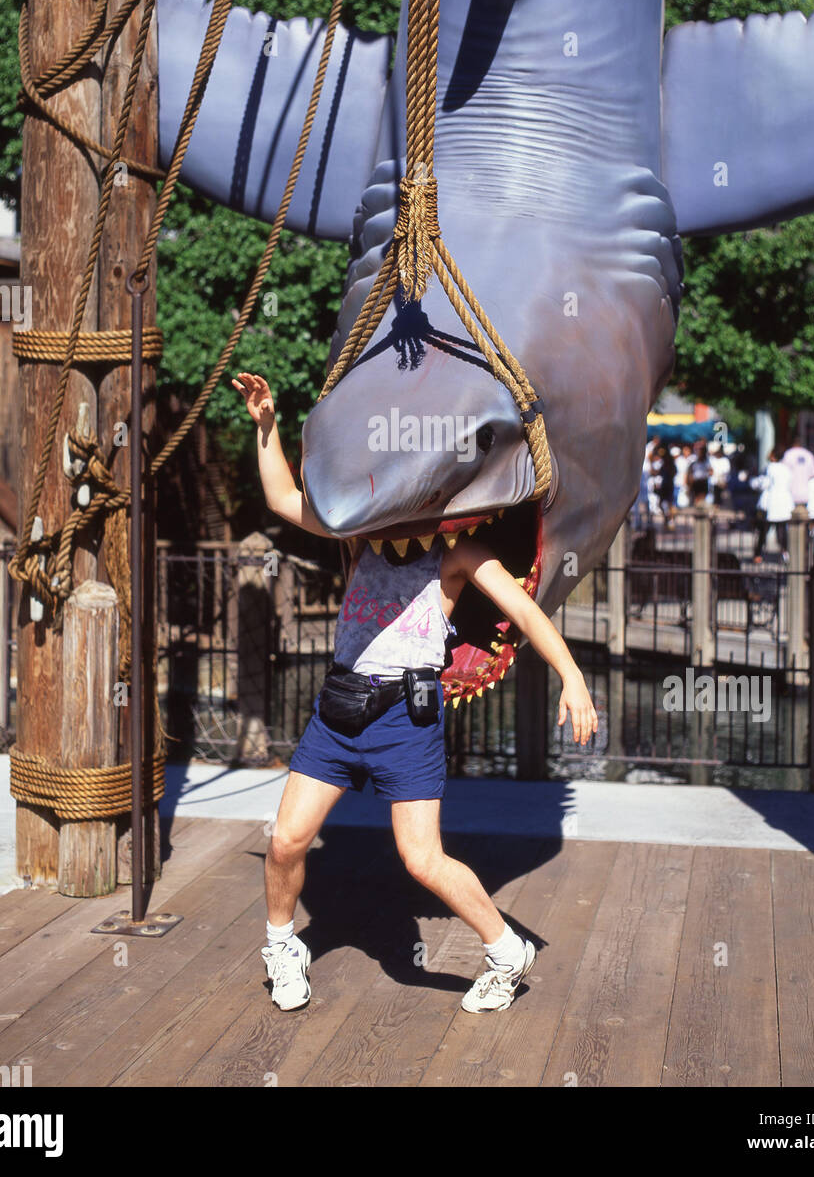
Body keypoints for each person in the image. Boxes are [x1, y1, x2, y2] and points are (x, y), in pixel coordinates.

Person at [231, 371, 597, 1015]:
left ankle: (507, 949)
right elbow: (285, 497)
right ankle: (283, 946)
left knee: (422, 858)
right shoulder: (358, 528)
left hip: (406, 717)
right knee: (287, 841)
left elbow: (528, 609)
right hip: (340, 709)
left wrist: (571, 678)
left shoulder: (459, 552)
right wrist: (267, 425)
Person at [751, 446, 794, 560]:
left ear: (773, 455)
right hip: (784, 503)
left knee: (763, 530)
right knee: (782, 532)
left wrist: (752, 482)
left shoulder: (770, 468)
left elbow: (763, 483)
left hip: (771, 503)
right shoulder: (786, 469)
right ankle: (786, 555)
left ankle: (758, 555)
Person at [782, 435, 814, 509]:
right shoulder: (808, 454)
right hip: (806, 494)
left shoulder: (788, 454)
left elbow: (783, 473)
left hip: (791, 494)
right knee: (804, 518)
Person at [687, 438, 713, 504]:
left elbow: (711, 471)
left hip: (703, 481)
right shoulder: (693, 458)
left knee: (702, 499)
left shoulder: (708, 460)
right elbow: (690, 471)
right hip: (696, 482)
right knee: (696, 499)